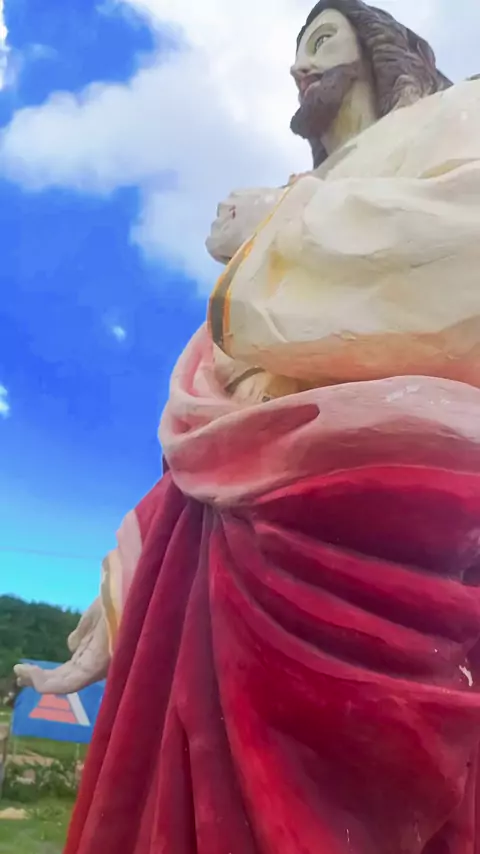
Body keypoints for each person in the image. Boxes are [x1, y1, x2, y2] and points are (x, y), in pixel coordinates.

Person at [17, 2, 480, 851]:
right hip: (221, 557)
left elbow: (464, 256)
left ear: (384, 54)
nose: (302, 66)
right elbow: (212, 444)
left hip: (380, 535)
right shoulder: (299, 208)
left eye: (323, 41)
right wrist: (120, 596)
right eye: (297, 51)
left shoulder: (459, 120)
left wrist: (274, 223)